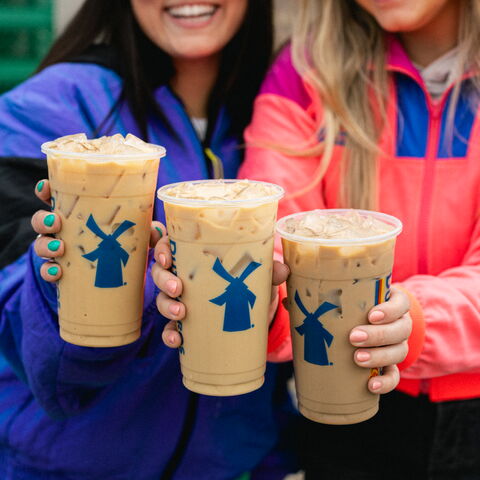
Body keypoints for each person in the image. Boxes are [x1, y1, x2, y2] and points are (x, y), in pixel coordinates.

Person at [0, 2, 411, 480]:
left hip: (241, 464)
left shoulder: (282, 111)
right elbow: (19, 334)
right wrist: (64, 285)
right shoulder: (55, 105)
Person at [237, 0, 478, 478]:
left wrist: (418, 322)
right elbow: (277, 241)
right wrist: (261, 303)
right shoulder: (305, 73)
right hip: (342, 397)